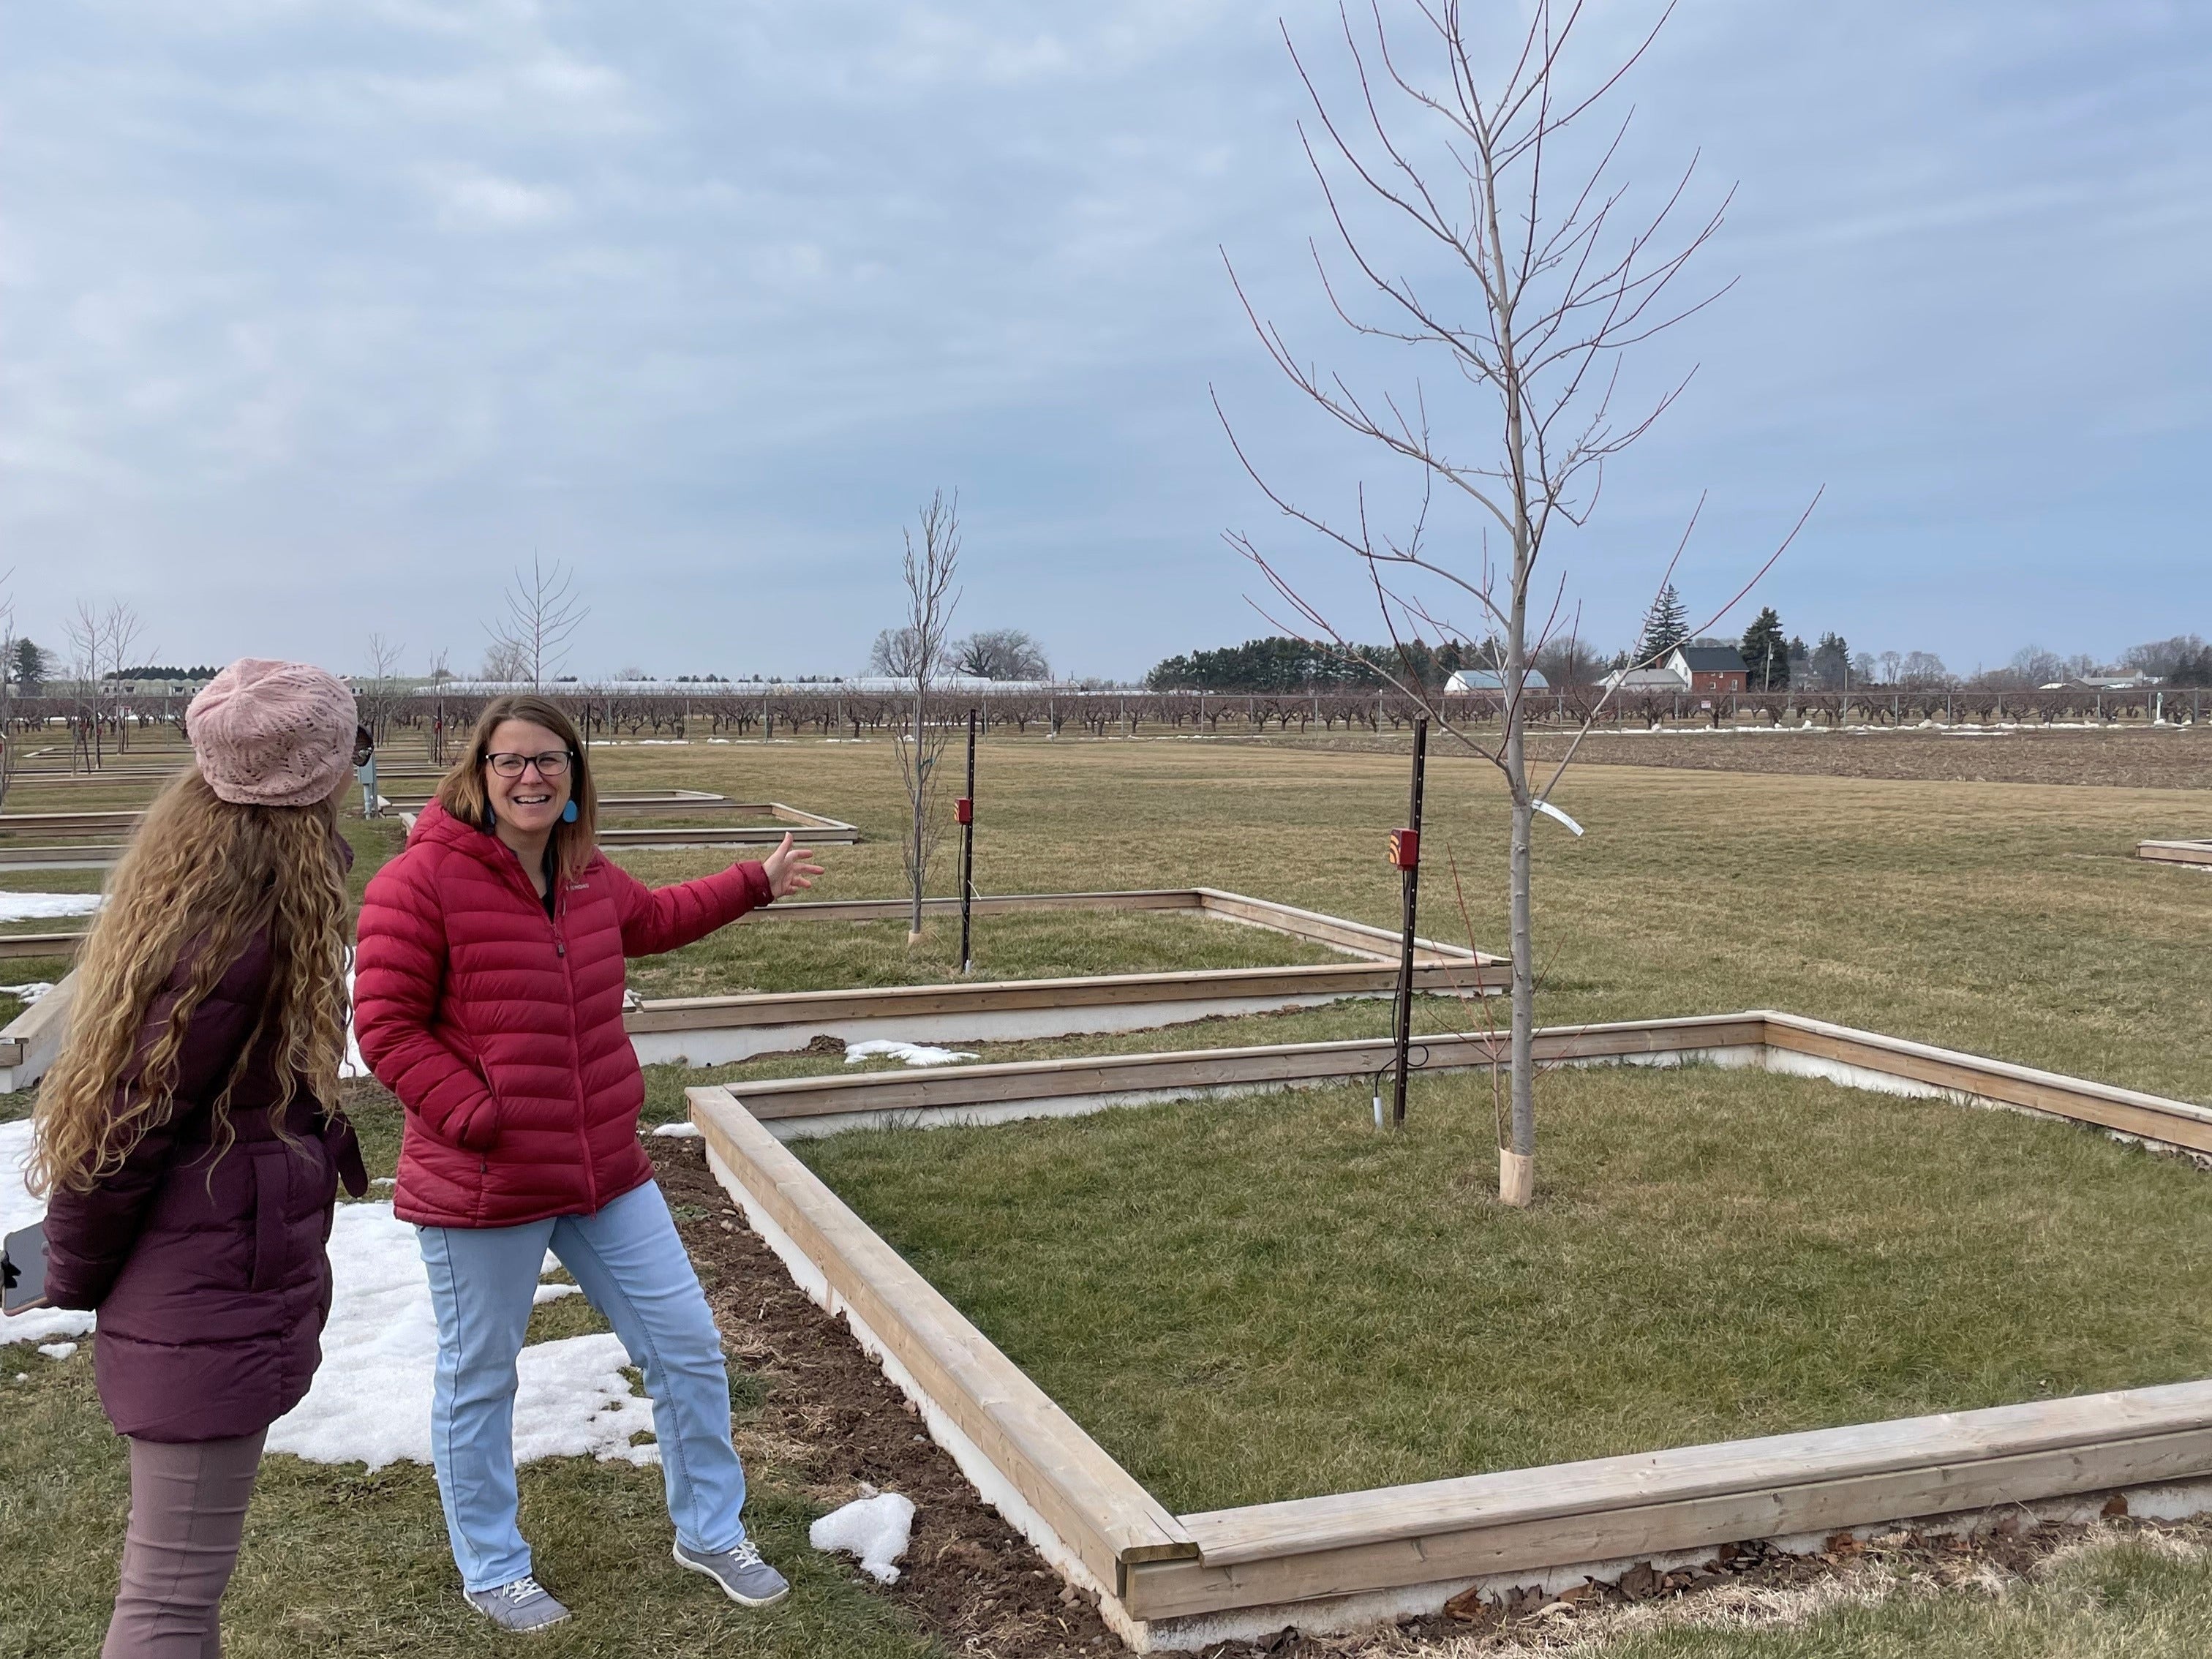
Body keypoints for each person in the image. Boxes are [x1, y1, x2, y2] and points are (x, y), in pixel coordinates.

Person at [353, 694, 822, 1633]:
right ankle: (492, 1565)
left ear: (574, 776)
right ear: (478, 775)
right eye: (511, 761)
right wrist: (478, 1118)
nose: (531, 776)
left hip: (604, 1170)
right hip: (484, 1183)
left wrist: (755, 882)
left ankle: (709, 1529)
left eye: (550, 761)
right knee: (480, 1374)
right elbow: (386, 1030)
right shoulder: (420, 883)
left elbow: (654, 919)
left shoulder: (585, 876)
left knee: (685, 1346)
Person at [32, 659, 370, 1659]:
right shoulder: (238, 924)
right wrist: (72, 1269)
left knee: (176, 1597)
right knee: (168, 1607)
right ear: (318, 773)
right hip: (200, 1296)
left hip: (206, 1278)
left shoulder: (231, 883)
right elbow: (116, 1138)